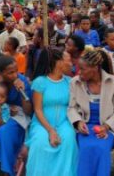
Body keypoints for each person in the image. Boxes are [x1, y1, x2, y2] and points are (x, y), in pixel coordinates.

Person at [68, 50, 114, 176]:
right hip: (85, 127)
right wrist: (78, 122)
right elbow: (71, 108)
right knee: (85, 148)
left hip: (107, 128)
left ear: (95, 68)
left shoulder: (113, 82)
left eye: (82, 69)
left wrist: (106, 126)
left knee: (101, 148)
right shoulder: (75, 82)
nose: (79, 72)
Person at [26, 48, 78, 176]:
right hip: (42, 121)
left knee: (68, 140)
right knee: (40, 142)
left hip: (64, 120)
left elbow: (73, 106)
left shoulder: (70, 82)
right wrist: (50, 130)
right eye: (68, 60)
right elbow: (37, 109)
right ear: (58, 62)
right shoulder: (40, 82)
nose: (71, 64)